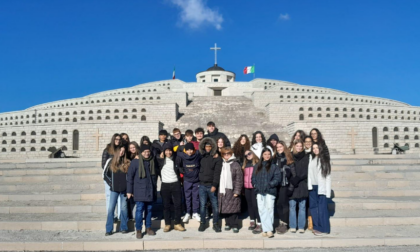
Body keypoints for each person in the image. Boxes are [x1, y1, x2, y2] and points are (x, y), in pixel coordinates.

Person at [127, 145, 160, 239]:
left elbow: (154, 177)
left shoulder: (152, 161)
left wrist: (154, 189)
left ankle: (148, 227)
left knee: (149, 210)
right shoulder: (135, 162)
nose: (147, 153)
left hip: (150, 190)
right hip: (139, 190)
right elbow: (130, 177)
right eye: (145, 152)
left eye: (148, 151)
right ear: (141, 152)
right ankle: (138, 229)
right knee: (139, 210)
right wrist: (129, 190)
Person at [252, 148, 281, 238]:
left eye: (269, 154)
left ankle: (268, 230)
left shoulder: (274, 166)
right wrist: (256, 185)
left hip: (270, 191)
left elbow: (277, 178)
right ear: (262, 155)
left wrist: (269, 185)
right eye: (265, 154)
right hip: (259, 191)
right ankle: (266, 229)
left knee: (269, 209)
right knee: (262, 209)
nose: (267, 156)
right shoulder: (257, 166)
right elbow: (253, 178)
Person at [157, 142, 185, 232]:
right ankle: (167, 224)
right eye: (166, 151)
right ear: (164, 151)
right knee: (166, 205)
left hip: (176, 183)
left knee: (178, 205)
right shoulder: (160, 159)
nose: (168, 152)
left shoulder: (177, 158)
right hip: (165, 184)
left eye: (170, 150)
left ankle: (177, 223)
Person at [103, 146, 131, 236]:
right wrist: (111, 183)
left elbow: (130, 176)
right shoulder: (111, 162)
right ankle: (109, 229)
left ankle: (124, 227)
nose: (122, 152)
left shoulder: (127, 162)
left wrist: (129, 188)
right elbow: (105, 175)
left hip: (124, 190)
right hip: (114, 190)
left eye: (123, 151)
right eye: (120, 150)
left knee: (123, 208)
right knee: (111, 209)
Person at [198, 137, 223, 232]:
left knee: (215, 205)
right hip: (202, 185)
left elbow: (217, 173)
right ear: (204, 147)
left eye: (209, 146)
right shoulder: (200, 156)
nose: (208, 148)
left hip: (211, 185)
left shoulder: (217, 158)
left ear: (212, 147)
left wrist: (214, 185)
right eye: (206, 146)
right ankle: (202, 223)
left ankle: (215, 223)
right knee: (202, 205)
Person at [308, 143, 331, 236]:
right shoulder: (312, 159)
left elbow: (328, 177)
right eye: (313, 148)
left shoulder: (324, 160)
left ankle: (324, 228)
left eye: (317, 147)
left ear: (320, 148)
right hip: (312, 186)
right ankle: (317, 226)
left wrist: (328, 192)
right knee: (313, 207)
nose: (315, 149)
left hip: (321, 187)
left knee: (322, 208)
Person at [218, 147, 243, 233]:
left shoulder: (235, 164)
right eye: (224, 154)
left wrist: (237, 191)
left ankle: (235, 225)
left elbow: (239, 179)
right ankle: (228, 224)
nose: (226, 155)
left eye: (228, 154)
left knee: (234, 209)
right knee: (226, 209)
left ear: (231, 154)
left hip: (232, 189)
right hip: (223, 189)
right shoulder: (221, 163)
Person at [288, 139, 309, 234]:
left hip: (303, 183)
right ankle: (292, 226)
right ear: (294, 146)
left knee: (302, 206)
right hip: (292, 184)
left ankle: (301, 226)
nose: (299, 148)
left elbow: (307, 170)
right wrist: (292, 179)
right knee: (292, 206)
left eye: (301, 146)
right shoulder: (290, 156)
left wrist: (299, 178)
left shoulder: (306, 156)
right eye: (297, 146)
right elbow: (288, 169)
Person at [176, 142, 201, 223]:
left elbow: (204, 151)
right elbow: (175, 151)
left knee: (195, 197)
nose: (189, 152)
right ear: (185, 150)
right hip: (187, 180)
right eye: (188, 150)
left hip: (196, 180)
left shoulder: (197, 155)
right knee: (187, 197)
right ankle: (188, 212)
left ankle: (195, 212)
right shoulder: (182, 155)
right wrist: (180, 146)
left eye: (191, 150)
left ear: (193, 150)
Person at [273, 141, 294, 234]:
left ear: (284, 147)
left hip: (285, 185)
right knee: (278, 204)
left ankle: (285, 224)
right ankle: (281, 222)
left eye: (280, 146)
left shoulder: (288, 158)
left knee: (284, 204)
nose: (279, 148)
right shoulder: (274, 159)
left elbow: (293, 175)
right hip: (276, 185)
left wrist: (291, 187)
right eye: (277, 147)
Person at [102, 133, 121, 221]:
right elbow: (103, 164)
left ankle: (119, 215)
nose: (118, 141)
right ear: (113, 139)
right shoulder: (107, 150)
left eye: (119, 139)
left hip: (119, 177)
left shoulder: (121, 150)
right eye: (116, 139)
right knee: (109, 196)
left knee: (119, 197)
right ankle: (111, 216)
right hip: (109, 176)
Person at [242, 149, 261, 233]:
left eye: (249, 154)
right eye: (246, 155)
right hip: (247, 188)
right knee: (249, 205)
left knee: (255, 205)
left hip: (254, 188)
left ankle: (259, 223)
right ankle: (252, 220)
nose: (248, 156)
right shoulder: (244, 165)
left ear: (253, 153)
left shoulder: (257, 164)